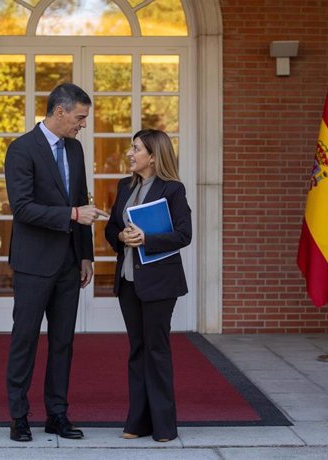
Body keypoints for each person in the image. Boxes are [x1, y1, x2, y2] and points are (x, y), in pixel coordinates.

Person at [4, 83, 108, 442]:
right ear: (60, 111)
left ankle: (57, 415)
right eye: (79, 118)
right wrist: (72, 214)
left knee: (63, 342)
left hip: (68, 264)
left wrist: (85, 255)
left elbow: (81, 199)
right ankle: (19, 417)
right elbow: (23, 208)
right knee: (25, 340)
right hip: (33, 263)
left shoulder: (76, 150)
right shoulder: (21, 149)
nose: (82, 125)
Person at [104, 129, 192, 442]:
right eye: (132, 148)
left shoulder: (173, 190)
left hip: (159, 284)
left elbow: (184, 234)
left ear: (153, 156)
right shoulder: (124, 186)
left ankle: (165, 426)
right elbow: (112, 227)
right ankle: (138, 423)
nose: (130, 153)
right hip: (128, 282)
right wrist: (120, 235)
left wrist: (147, 239)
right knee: (137, 350)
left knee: (156, 351)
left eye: (136, 148)